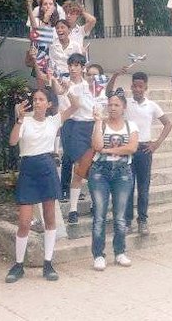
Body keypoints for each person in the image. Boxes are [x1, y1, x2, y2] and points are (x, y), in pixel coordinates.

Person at [5, 79, 79, 283]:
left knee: (49, 218)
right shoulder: (25, 121)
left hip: (47, 167)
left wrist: (66, 90)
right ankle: (18, 265)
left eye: (41, 99)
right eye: (34, 99)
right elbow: (12, 141)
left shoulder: (54, 121)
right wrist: (19, 119)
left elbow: (75, 107)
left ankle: (48, 262)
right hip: (28, 169)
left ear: (49, 104)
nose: (36, 102)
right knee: (24, 222)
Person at [106, 71, 172, 235]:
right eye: (134, 86)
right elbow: (109, 94)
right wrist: (115, 75)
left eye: (140, 86)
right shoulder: (126, 103)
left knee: (143, 187)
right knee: (127, 186)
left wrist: (156, 144)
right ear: (131, 86)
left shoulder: (152, 106)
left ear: (145, 87)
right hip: (128, 148)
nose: (137, 89)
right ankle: (127, 222)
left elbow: (168, 124)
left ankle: (142, 220)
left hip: (144, 149)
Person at [88, 89, 140, 270]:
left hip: (123, 172)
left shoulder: (130, 126)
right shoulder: (101, 124)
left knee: (120, 216)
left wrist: (109, 151)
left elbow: (132, 147)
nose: (112, 108)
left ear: (124, 107)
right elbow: (96, 146)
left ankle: (120, 252)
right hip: (99, 172)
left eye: (116, 105)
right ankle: (98, 254)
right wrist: (97, 122)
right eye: (110, 104)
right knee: (99, 216)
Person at [65, 61, 108, 223]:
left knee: (94, 169)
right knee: (80, 169)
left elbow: (105, 115)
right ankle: (73, 209)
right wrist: (60, 84)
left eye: (95, 75)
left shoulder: (103, 93)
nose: (91, 77)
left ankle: (94, 205)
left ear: (101, 76)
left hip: (96, 129)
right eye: (88, 74)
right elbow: (64, 92)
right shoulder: (78, 88)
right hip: (79, 130)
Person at [60, 53, 97, 209]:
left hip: (93, 125)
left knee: (91, 164)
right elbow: (73, 104)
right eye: (71, 65)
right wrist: (66, 89)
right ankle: (68, 196)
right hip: (73, 124)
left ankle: (95, 198)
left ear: (83, 68)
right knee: (76, 162)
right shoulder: (66, 84)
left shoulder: (90, 85)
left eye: (76, 65)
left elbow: (97, 103)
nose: (73, 68)